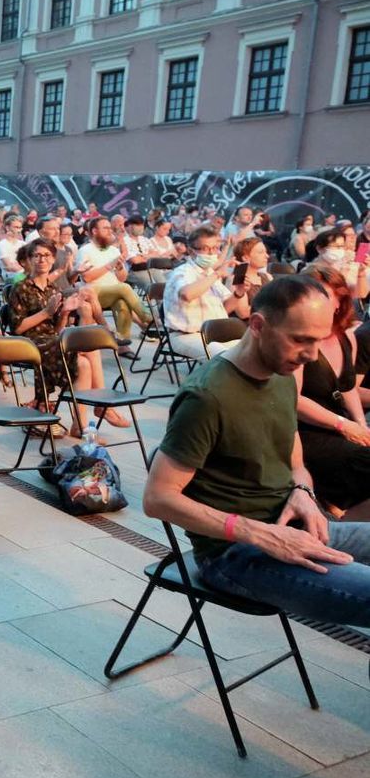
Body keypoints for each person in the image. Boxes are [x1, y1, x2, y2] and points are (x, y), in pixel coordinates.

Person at [144, 275, 370, 631]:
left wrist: (302, 491)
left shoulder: (282, 374)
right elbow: (157, 498)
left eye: (318, 341)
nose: (311, 355)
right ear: (258, 325)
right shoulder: (208, 397)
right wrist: (258, 533)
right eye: (301, 340)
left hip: (289, 526)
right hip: (234, 554)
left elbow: (293, 454)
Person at [7, 238, 127, 437]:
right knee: (85, 345)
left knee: (83, 363)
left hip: (52, 340)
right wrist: (46, 312)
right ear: (29, 260)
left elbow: (56, 329)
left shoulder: (53, 289)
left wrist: (64, 313)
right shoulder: (21, 288)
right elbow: (18, 328)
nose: (42, 260)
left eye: (46, 255)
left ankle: (79, 425)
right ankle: (101, 404)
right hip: (29, 344)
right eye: (36, 255)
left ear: (53, 259)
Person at [292, 266, 370, 519]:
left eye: (325, 296)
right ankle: (344, 532)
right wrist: (345, 426)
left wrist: (360, 425)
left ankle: (346, 520)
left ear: (339, 301)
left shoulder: (347, 338)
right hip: (303, 432)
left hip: (338, 425)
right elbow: (293, 399)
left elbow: (348, 388)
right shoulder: (298, 341)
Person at [163, 226, 249, 359]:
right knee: (226, 358)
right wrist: (217, 274)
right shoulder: (182, 272)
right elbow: (186, 294)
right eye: (205, 248)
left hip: (215, 333)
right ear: (191, 251)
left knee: (253, 353)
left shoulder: (209, 273)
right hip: (186, 335)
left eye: (215, 248)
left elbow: (226, 308)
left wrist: (239, 292)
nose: (211, 253)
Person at [75, 216, 151, 346]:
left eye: (110, 228)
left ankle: (122, 344)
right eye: (105, 228)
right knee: (124, 288)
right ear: (94, 231)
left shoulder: (114, 250)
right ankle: (148, 319)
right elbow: (86, 277)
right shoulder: (85, 250)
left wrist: (120, 268)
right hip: (94, 293)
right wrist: (109, 266)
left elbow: (121, 278)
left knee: (122, 303)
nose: (110, 231)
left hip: (114, 291)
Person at [309, 222, 369, 301]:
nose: (353, 238)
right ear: (320, 249)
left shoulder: (355, 256)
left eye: (354, 235)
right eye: (349, 235)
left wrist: (362, 273)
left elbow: (360, 294)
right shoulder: (312, 270)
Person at [232, 236, 273, 307]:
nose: (267, 256)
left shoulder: (268, 277)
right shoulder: (237, 280)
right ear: (245, 257)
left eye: (266, 252)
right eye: (261, 252)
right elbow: (243, 313)